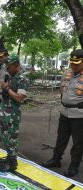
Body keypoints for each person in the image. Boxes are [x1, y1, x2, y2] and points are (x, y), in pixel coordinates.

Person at [42, 49, 83, 177]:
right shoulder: (67, 73)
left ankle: (74, 165)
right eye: (72, 62)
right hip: (64, 112)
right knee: (61, 138)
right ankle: (56, 159)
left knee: (78, 142)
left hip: (79, 115)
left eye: (77, 63)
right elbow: (62, 91)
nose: (73, 65)